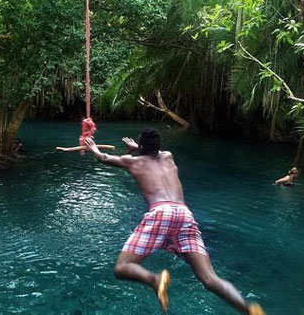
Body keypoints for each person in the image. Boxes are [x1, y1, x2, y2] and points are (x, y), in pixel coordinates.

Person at [83, 129, 265, 315]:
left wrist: (94, 148)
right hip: (184, 214)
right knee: (209, 279)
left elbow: (104, 158)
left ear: (142, 148)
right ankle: (248, 308)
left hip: (161, 212)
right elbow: (153, 153)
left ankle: (155, 280)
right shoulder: (168, 157)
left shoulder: (133, 161)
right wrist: (138, 147)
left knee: (122, 268)